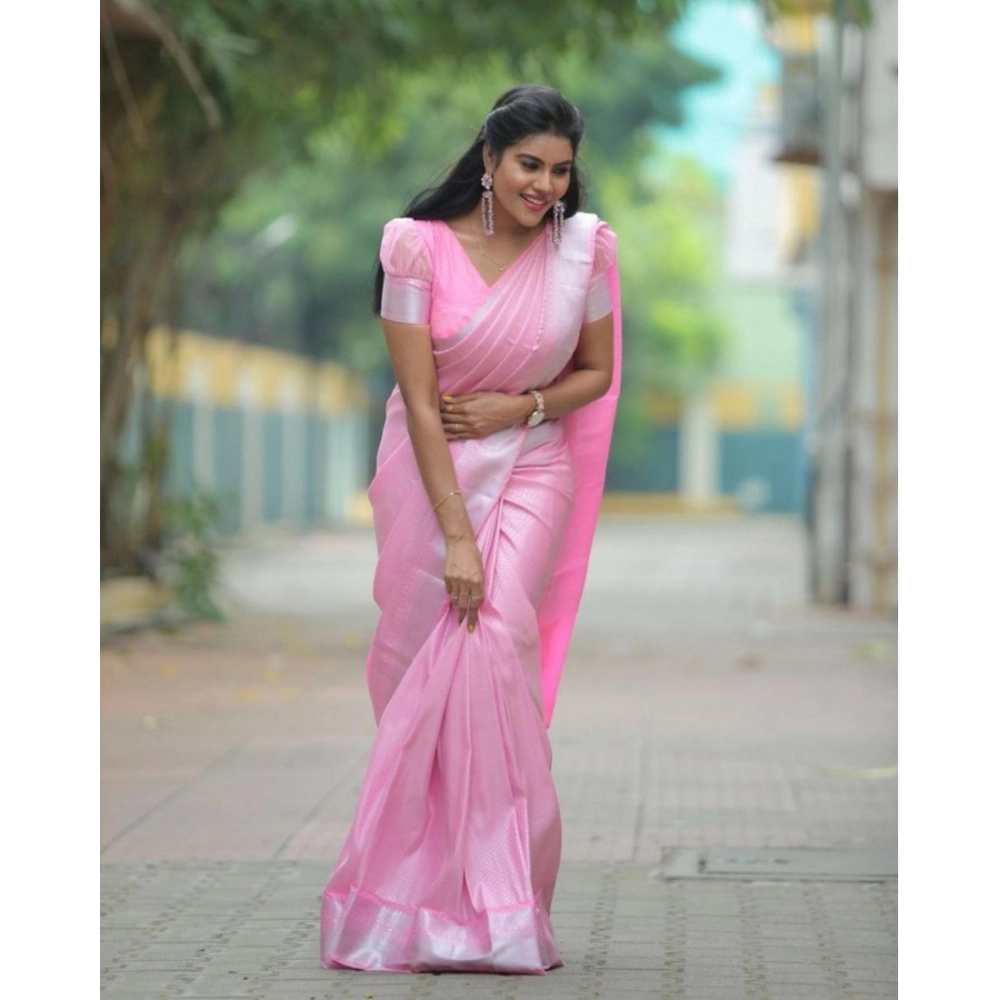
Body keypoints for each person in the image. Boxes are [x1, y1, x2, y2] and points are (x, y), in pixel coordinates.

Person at [320, 83, 621, 975]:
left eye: (560, 170)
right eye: (529, 164)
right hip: (431, 475)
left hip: (531, 465)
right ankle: (408, 904)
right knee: (421, 672)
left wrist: (519, 407)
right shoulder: (414, 247)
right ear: (488, 160)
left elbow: (595, 373)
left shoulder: (583, 250)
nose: (545, 186)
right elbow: (420, 400)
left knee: (492, 647)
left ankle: (501, 905)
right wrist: (456, 534)